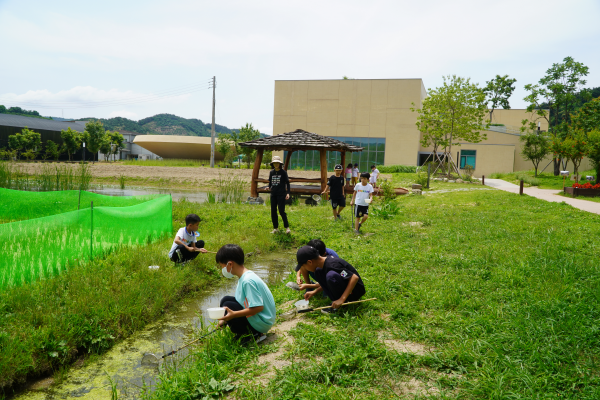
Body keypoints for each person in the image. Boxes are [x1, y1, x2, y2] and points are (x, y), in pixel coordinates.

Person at [216, 244, 276, 344]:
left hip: (262, 323)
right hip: (259, 318)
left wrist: (233, 315)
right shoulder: (244, 276)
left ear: (230, 264)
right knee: (225, 301)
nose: (222, 270)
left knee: (228, 305)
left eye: (222, 266)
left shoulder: (247, 281)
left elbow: (258, 307)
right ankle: (247, 331)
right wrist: (224, 320)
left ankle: (254, 334)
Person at [296, 245, 365, 314]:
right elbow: (326, 283)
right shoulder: (322, 264)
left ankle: (341, 303)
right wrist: (314, 292)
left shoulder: (333, 265)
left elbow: (354, 277)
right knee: (318, 272)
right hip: (346, 287)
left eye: (303, 266)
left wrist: (342, 299)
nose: (304, 268)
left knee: (331, 276)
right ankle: (335, 301)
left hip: (355, 292)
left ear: (309, 262)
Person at [267, 156, 291, 234]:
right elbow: (270, 182)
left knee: (281, 211)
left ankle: (287, 227)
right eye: (274, 163)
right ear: (273, 164)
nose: (276, 164)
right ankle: (275, 228)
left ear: (280, 164)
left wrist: (288, 193)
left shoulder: (283, 172)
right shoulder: (271, 172)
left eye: (277, 163)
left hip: (281, 194)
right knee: (273, 211)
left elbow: (287, 183)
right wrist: (268, 187)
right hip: (273, 194)